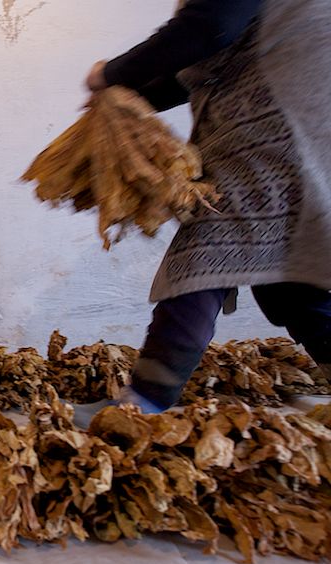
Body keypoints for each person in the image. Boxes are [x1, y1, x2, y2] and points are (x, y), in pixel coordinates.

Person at [74, 0, 331, 426]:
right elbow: (204, 59)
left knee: (206, 247)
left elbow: (209, 27)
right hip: (307, 113)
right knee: (287, 271)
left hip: (282, 114)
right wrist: (129, 97)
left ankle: (144, 401)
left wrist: (111, 73)